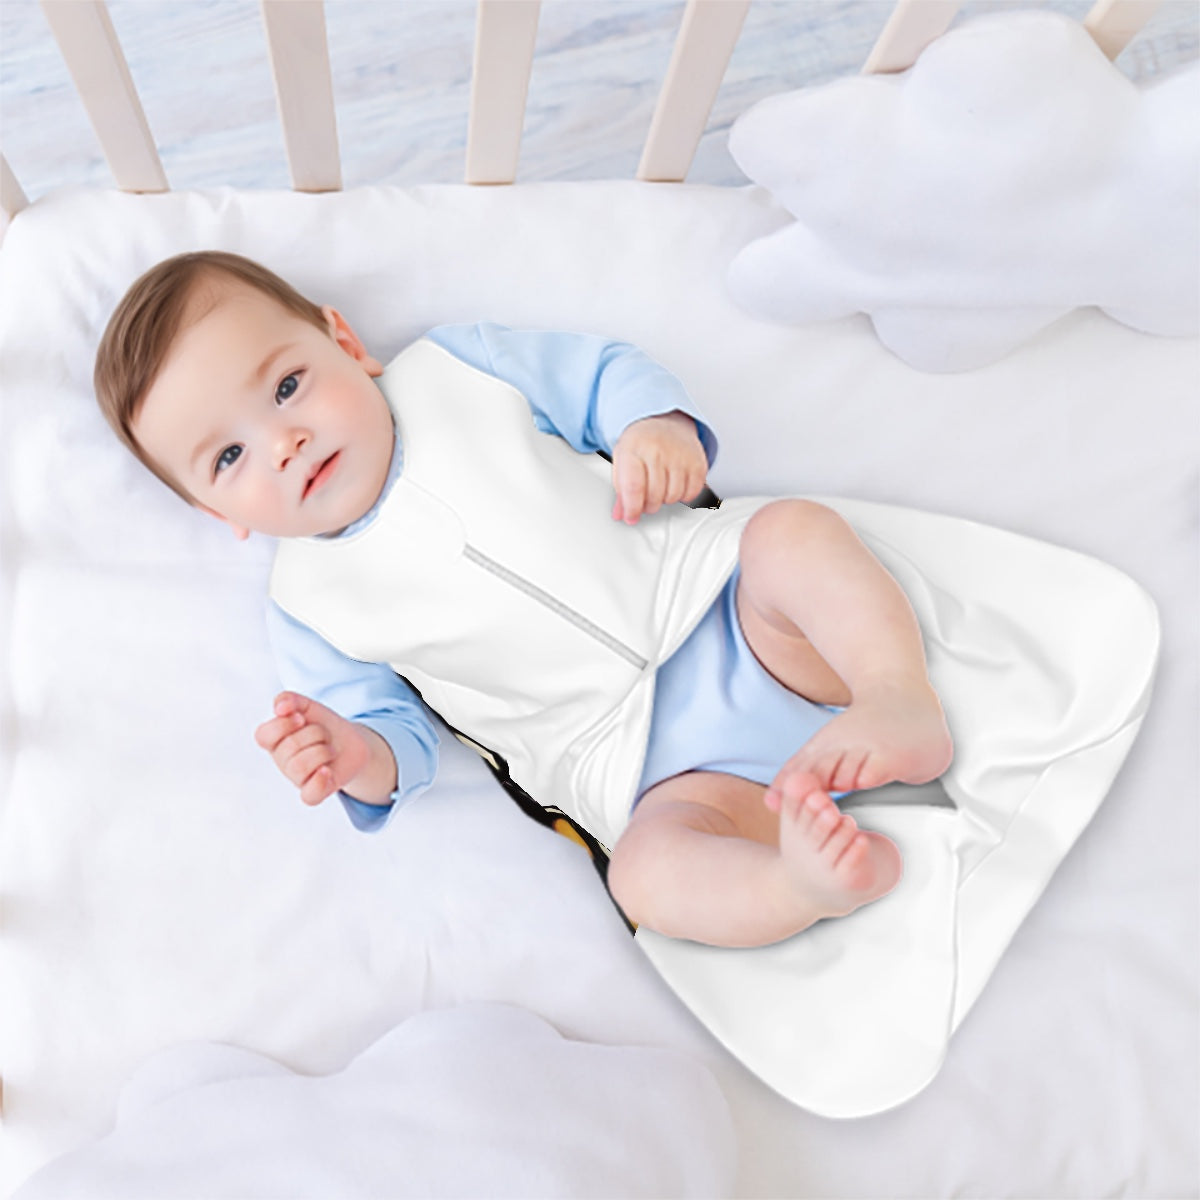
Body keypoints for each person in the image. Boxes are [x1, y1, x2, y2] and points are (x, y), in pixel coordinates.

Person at [94, 251, 953, 949]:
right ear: (216, 514)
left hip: (728, 608)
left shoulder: (456, 369)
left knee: (793, 534)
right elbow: (401, 744)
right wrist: (353, 753)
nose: (284, 442)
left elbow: (597, 374)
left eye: (286, 388)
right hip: (647, 771)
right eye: (229, 459)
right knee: (645, 878)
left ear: (344, 339)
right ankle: (798, 882)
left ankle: (890, 695)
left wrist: (649, 426)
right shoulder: (306, 604)